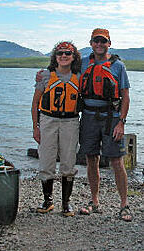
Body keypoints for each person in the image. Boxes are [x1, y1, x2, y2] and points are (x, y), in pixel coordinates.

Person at [36, 28, 132, 222]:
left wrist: (121, 122)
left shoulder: (118, 66)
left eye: (103, 41)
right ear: (91, 43)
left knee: (116, 160)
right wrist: (43, 74)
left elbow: (125, 95)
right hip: (87, 116)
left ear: (109, 43)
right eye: (96, 41)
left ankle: (124, 204)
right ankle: (94, 201)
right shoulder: (84, 64)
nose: (99, 44)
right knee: (91, 158)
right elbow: (62, 69)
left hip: (111, 117)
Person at [31, 41, 81, 216]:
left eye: (68, 53)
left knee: (68, 161)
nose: (64, 56)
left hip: (70, 122)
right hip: (48, 120)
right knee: (46, 160)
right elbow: (36, 102)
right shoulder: (45, 76)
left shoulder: (79, 77)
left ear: (74, 57)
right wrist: (35, 127)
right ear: (55, 57)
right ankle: (48, 201)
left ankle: (66, 203)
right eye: (60, 53)